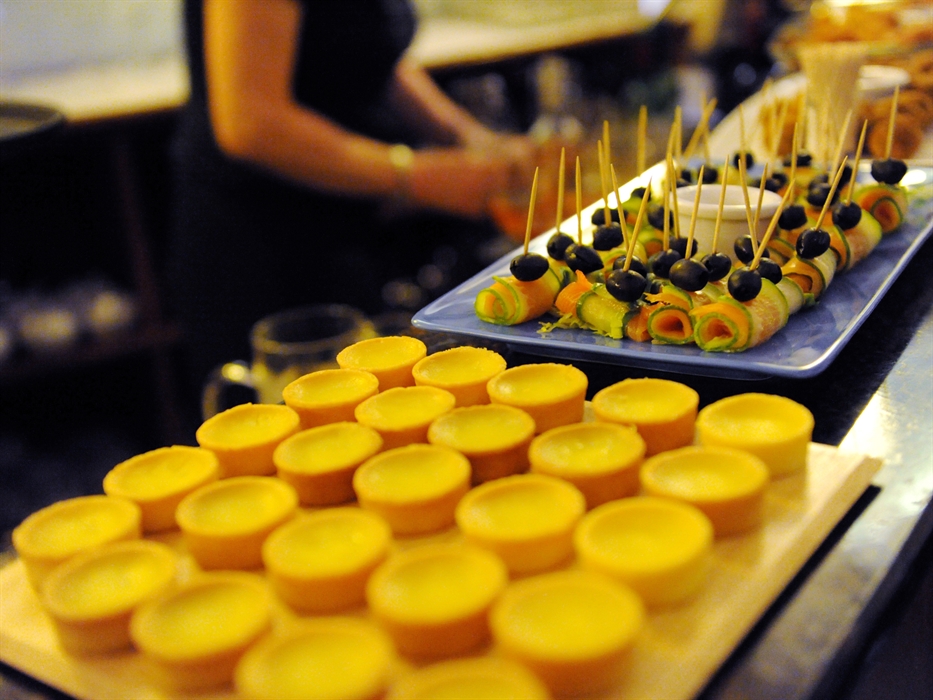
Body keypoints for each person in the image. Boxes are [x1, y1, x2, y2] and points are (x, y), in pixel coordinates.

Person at [166, 0, 535, 409]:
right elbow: (250, 123)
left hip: (346, 226)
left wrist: (470, 138)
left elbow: (366, 54)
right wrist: (420, 176)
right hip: (263, 244)